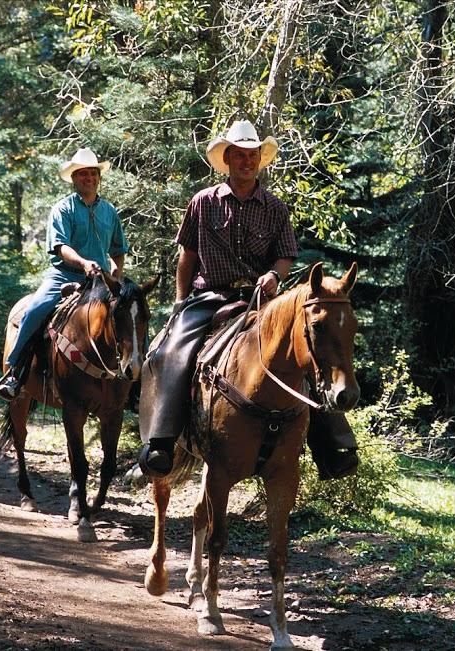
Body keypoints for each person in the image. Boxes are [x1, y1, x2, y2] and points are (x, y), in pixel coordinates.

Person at [137, 119, 359, 481]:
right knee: (173, 351)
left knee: (304, 349)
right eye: (239, 155)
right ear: (227, 158)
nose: (247, 161)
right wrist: (180, 303)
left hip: (262, 299)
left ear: (260, 159)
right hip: (210, 295)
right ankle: (161, 442)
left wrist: (275, 274)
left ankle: (331, 445)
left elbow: (286, 253)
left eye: (253, 155)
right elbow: (187, 257)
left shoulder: (274, 207)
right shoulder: (203, 202)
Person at [0, 148, 130, 401]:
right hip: (63, 276)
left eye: (92, 173)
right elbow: (61, 246)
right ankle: (16, 371)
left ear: (98, 177)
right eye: (82, 174)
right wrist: (83, 262)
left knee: (130, 314)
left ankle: (132, 379)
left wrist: (116, 272)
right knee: (36, 310)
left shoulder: (109, 211)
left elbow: (118, 248)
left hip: (100, 281)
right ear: (74, 178)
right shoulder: (63, 208)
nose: (88, 178)